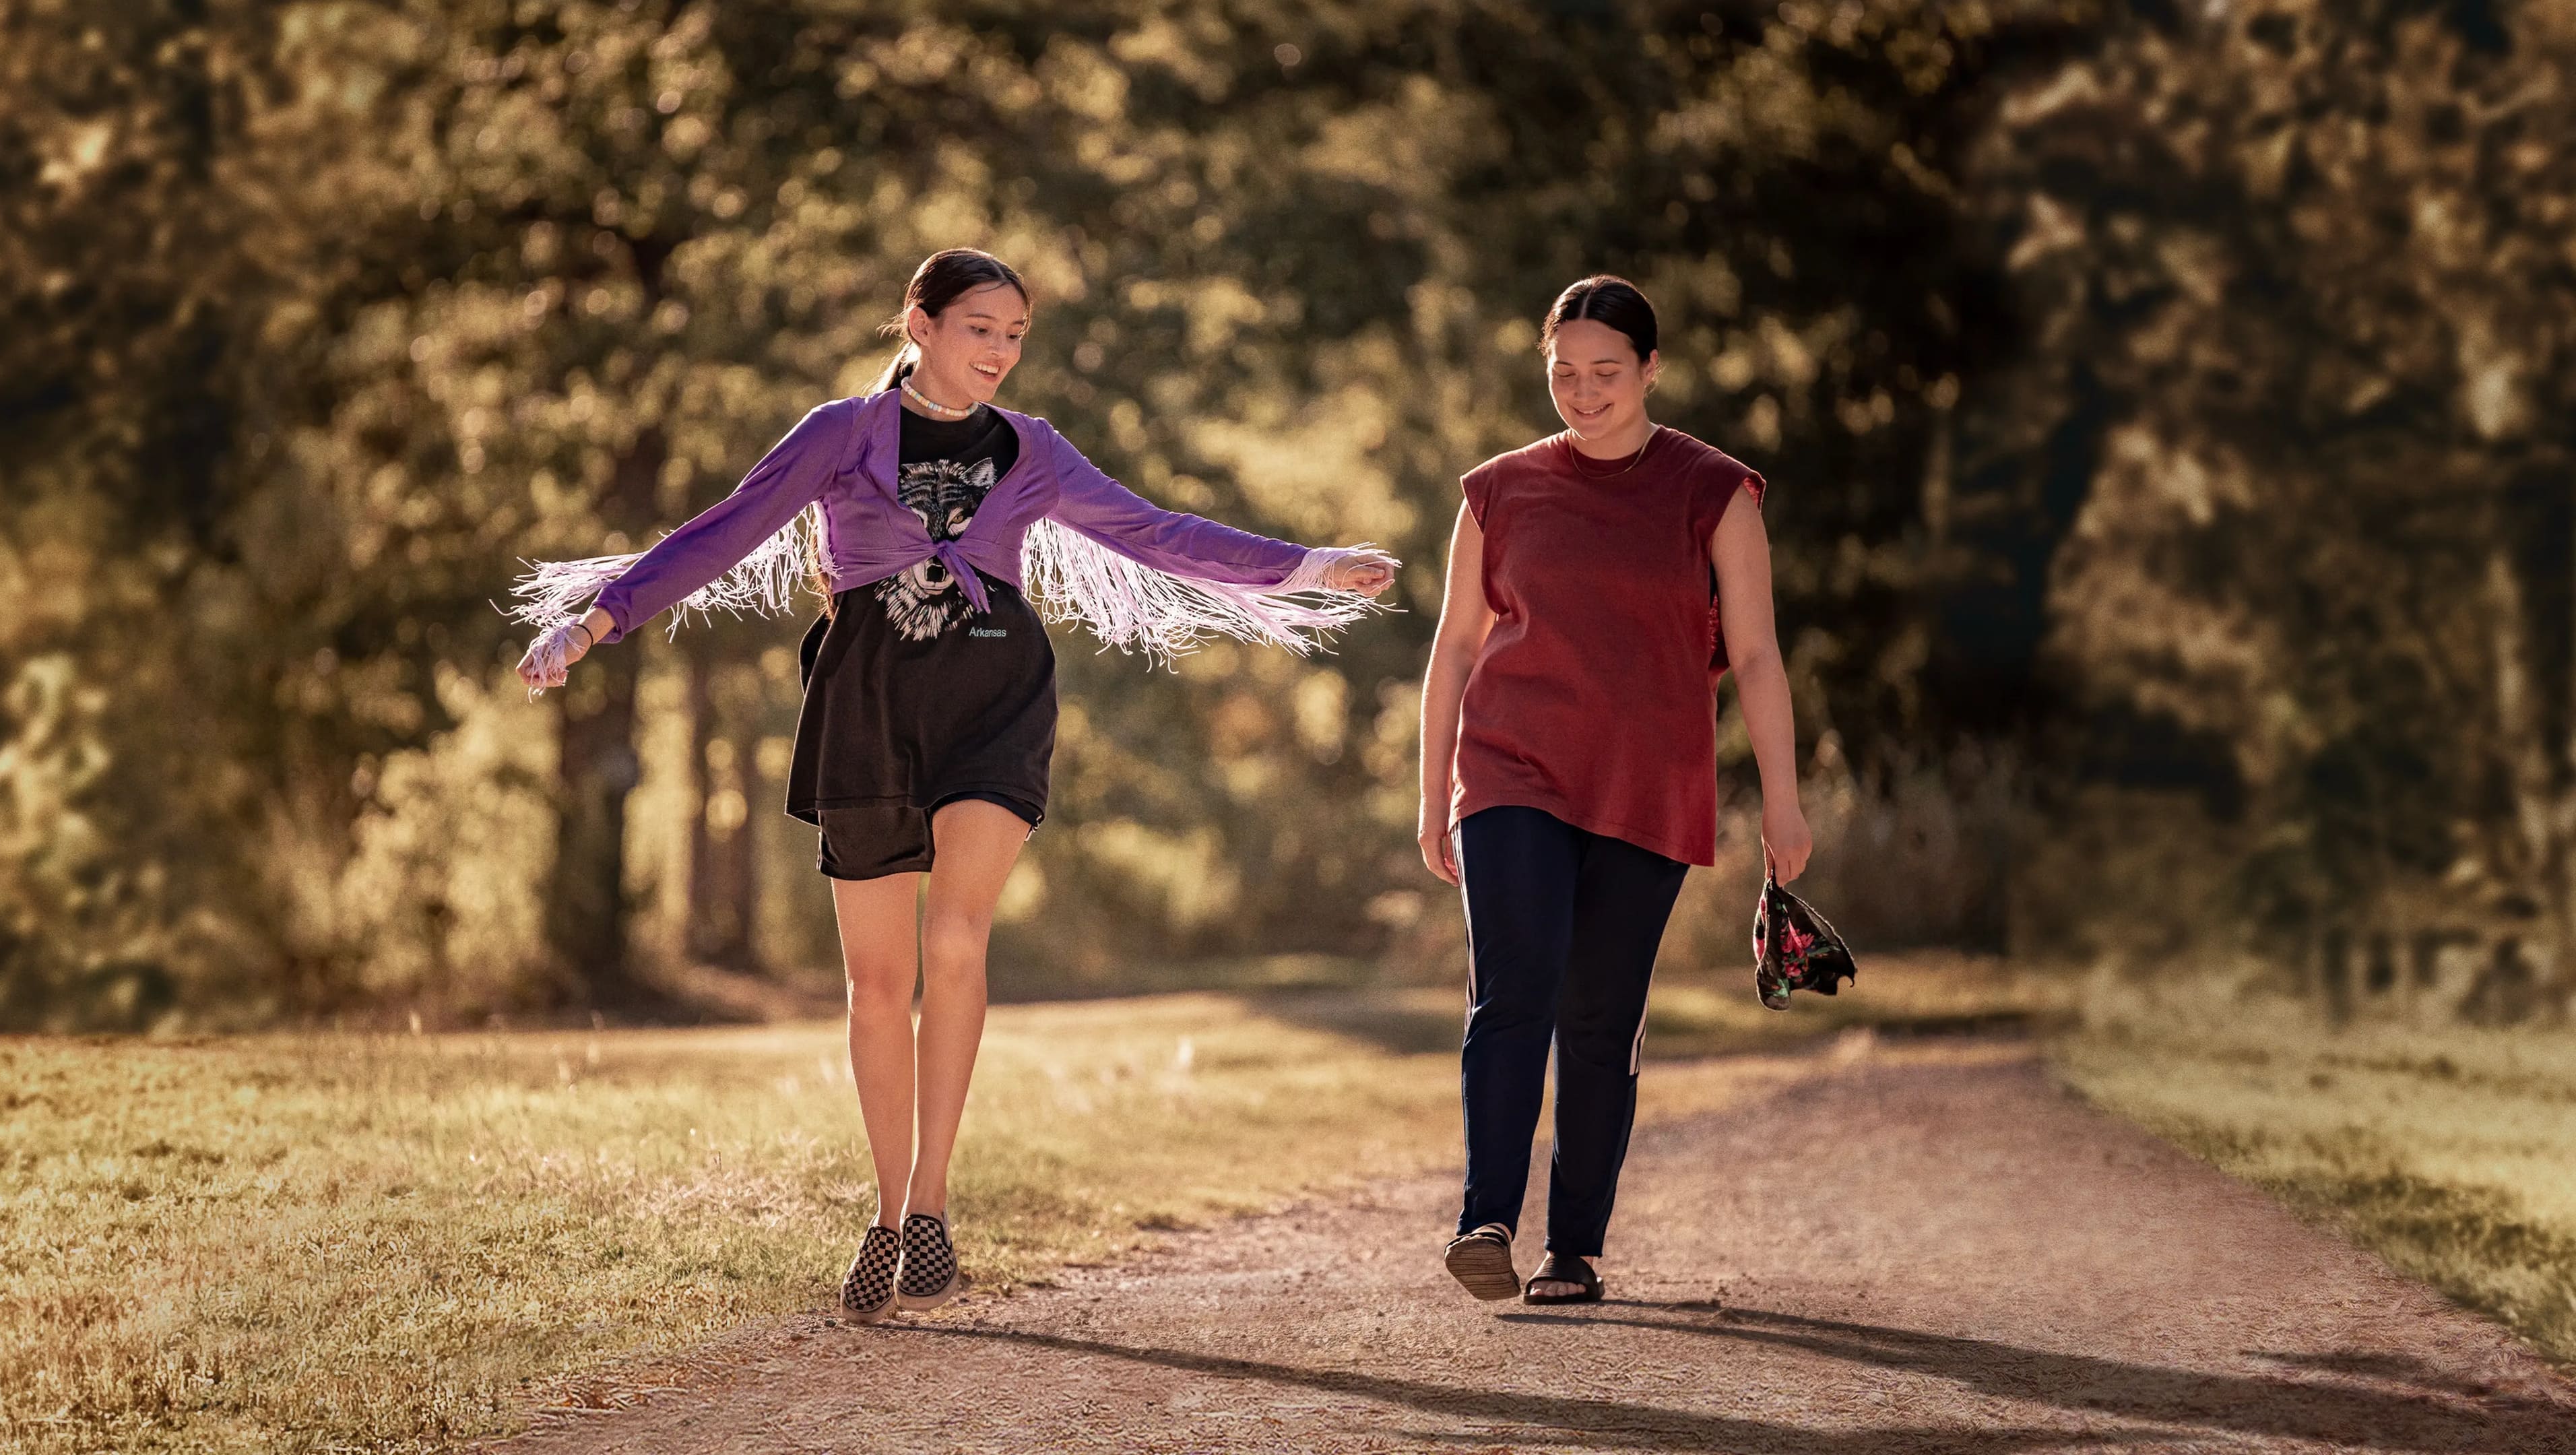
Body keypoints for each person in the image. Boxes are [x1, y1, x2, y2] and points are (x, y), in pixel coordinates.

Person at [511, 249, 1396, 1322]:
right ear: (919, 323)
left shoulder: (1034, 449)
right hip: (866, 708)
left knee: (957, 940)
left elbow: (1158, 532)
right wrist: (594, 621)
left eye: (1015, 335)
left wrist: (1308, 566)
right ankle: (888, 1216)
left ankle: (932, 1200)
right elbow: (725, 530)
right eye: (981, 327)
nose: (1001, 351)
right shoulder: (843, 433)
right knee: (879, 986)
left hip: (995, 700)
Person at [1415, 275, 1810, 1305]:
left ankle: (1574, 1247)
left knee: (1599, 1015)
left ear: (1650, 370)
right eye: (1565, 373)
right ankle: (1485, 1221)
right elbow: (1455, 648)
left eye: (1606, 373)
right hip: (1510, 767)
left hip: (1649, 780)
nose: (1584, 393)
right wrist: (1432, 793)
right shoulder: (1497, 491)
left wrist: (1783, 801)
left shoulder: (1713, 490)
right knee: (1514, 990)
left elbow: (1756, 655)